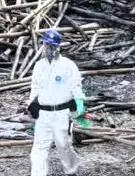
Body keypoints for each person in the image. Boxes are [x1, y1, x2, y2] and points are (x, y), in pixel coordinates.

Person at [28, 29, 85, 176]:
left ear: (58, 47)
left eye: (53, 46)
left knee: (63, 145)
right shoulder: (39, 66)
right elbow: (35, 87)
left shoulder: (68, 65)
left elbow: (76, 86)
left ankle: (72, 167)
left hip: (61, 113)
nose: (50, 48)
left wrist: (79, 105)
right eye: (47, 45)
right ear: (44, 45)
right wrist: (31, 105)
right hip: (43, 113)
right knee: (39, 149)